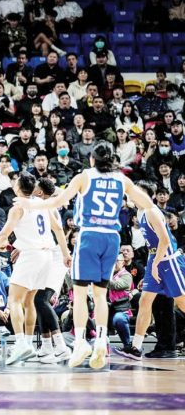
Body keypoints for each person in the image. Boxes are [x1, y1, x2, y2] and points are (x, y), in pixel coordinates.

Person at [16, 142, 155, 369]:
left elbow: (58, 201)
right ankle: (101, 338)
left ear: (92, 159)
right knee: (101, 294)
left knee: (80, 293)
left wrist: (29, 204)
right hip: (113, 236)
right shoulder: (122, 180)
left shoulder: (85, 177)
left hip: (89, 235)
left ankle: (80, 342)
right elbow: (147, 203)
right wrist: (128, 201)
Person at [0, 172, 67, 365]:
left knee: (15, 300)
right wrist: (65, 252)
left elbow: (3, 235)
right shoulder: (42, 204)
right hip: (46, 256)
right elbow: (58, 229)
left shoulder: (18, 208)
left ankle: (20, 343)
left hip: (31, 255)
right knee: (30, 301)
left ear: (18, 187)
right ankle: (28, 343)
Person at [115, 183, 185, 360]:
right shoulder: (139, 212)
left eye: (137, 192)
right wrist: (152, 264)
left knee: (182, 303)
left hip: (168, 260)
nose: (133, 195)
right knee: (145, 301)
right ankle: (136, 348)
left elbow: (165, 241)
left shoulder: (152, 211)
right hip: (155, 259)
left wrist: (155, 265)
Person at [31, 178, 72, 363]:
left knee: (41, 299)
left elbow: (59, 234)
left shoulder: (48, 208)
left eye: (36, 188)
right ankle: (46, 347)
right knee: (37, 299)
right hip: (45, 255)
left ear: (40, 192)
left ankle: (61, 346)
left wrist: (65, 255)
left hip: (55, 257)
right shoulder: (39, 206)